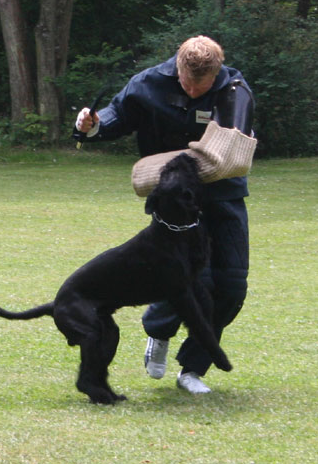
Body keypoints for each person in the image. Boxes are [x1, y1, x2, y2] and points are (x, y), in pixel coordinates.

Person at [75, 35, 255, 394]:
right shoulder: (147, 84)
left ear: (216, 72)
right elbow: (115, 117)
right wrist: (91, 124)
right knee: (193, 283)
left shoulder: (234, 90)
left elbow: (234, 149)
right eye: (187, 83)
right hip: (174, 206)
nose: (192, 92)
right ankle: (158, 332)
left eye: (200, 87)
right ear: (178, 66)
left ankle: (192, 369)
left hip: (223, 198)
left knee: (231, 287)